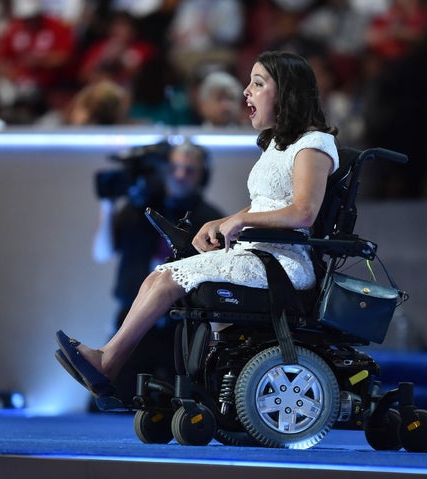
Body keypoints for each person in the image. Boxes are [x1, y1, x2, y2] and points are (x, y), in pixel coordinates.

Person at [54, 50, 339, 409]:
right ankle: (109, 360)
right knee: (160, 275)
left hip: (284, 265)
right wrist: (222, 221)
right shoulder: (276, 145)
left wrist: (241, 220)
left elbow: (303, 212)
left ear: (287, 92)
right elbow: (265, 205)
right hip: (260, 254)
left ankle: (109, 362)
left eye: (258, 83)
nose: (246, 92)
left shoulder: (314, 144)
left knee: (167, 277)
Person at [91, 140, 224, 404]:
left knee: (192, 400)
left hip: (182, 325)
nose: (180, 175)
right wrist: (107, 205)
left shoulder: (211, 220)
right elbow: (102, 252)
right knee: (108, 400)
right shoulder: (139, 209)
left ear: (203, 176)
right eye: (175, 167)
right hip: (135, 317)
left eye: (189, 170)